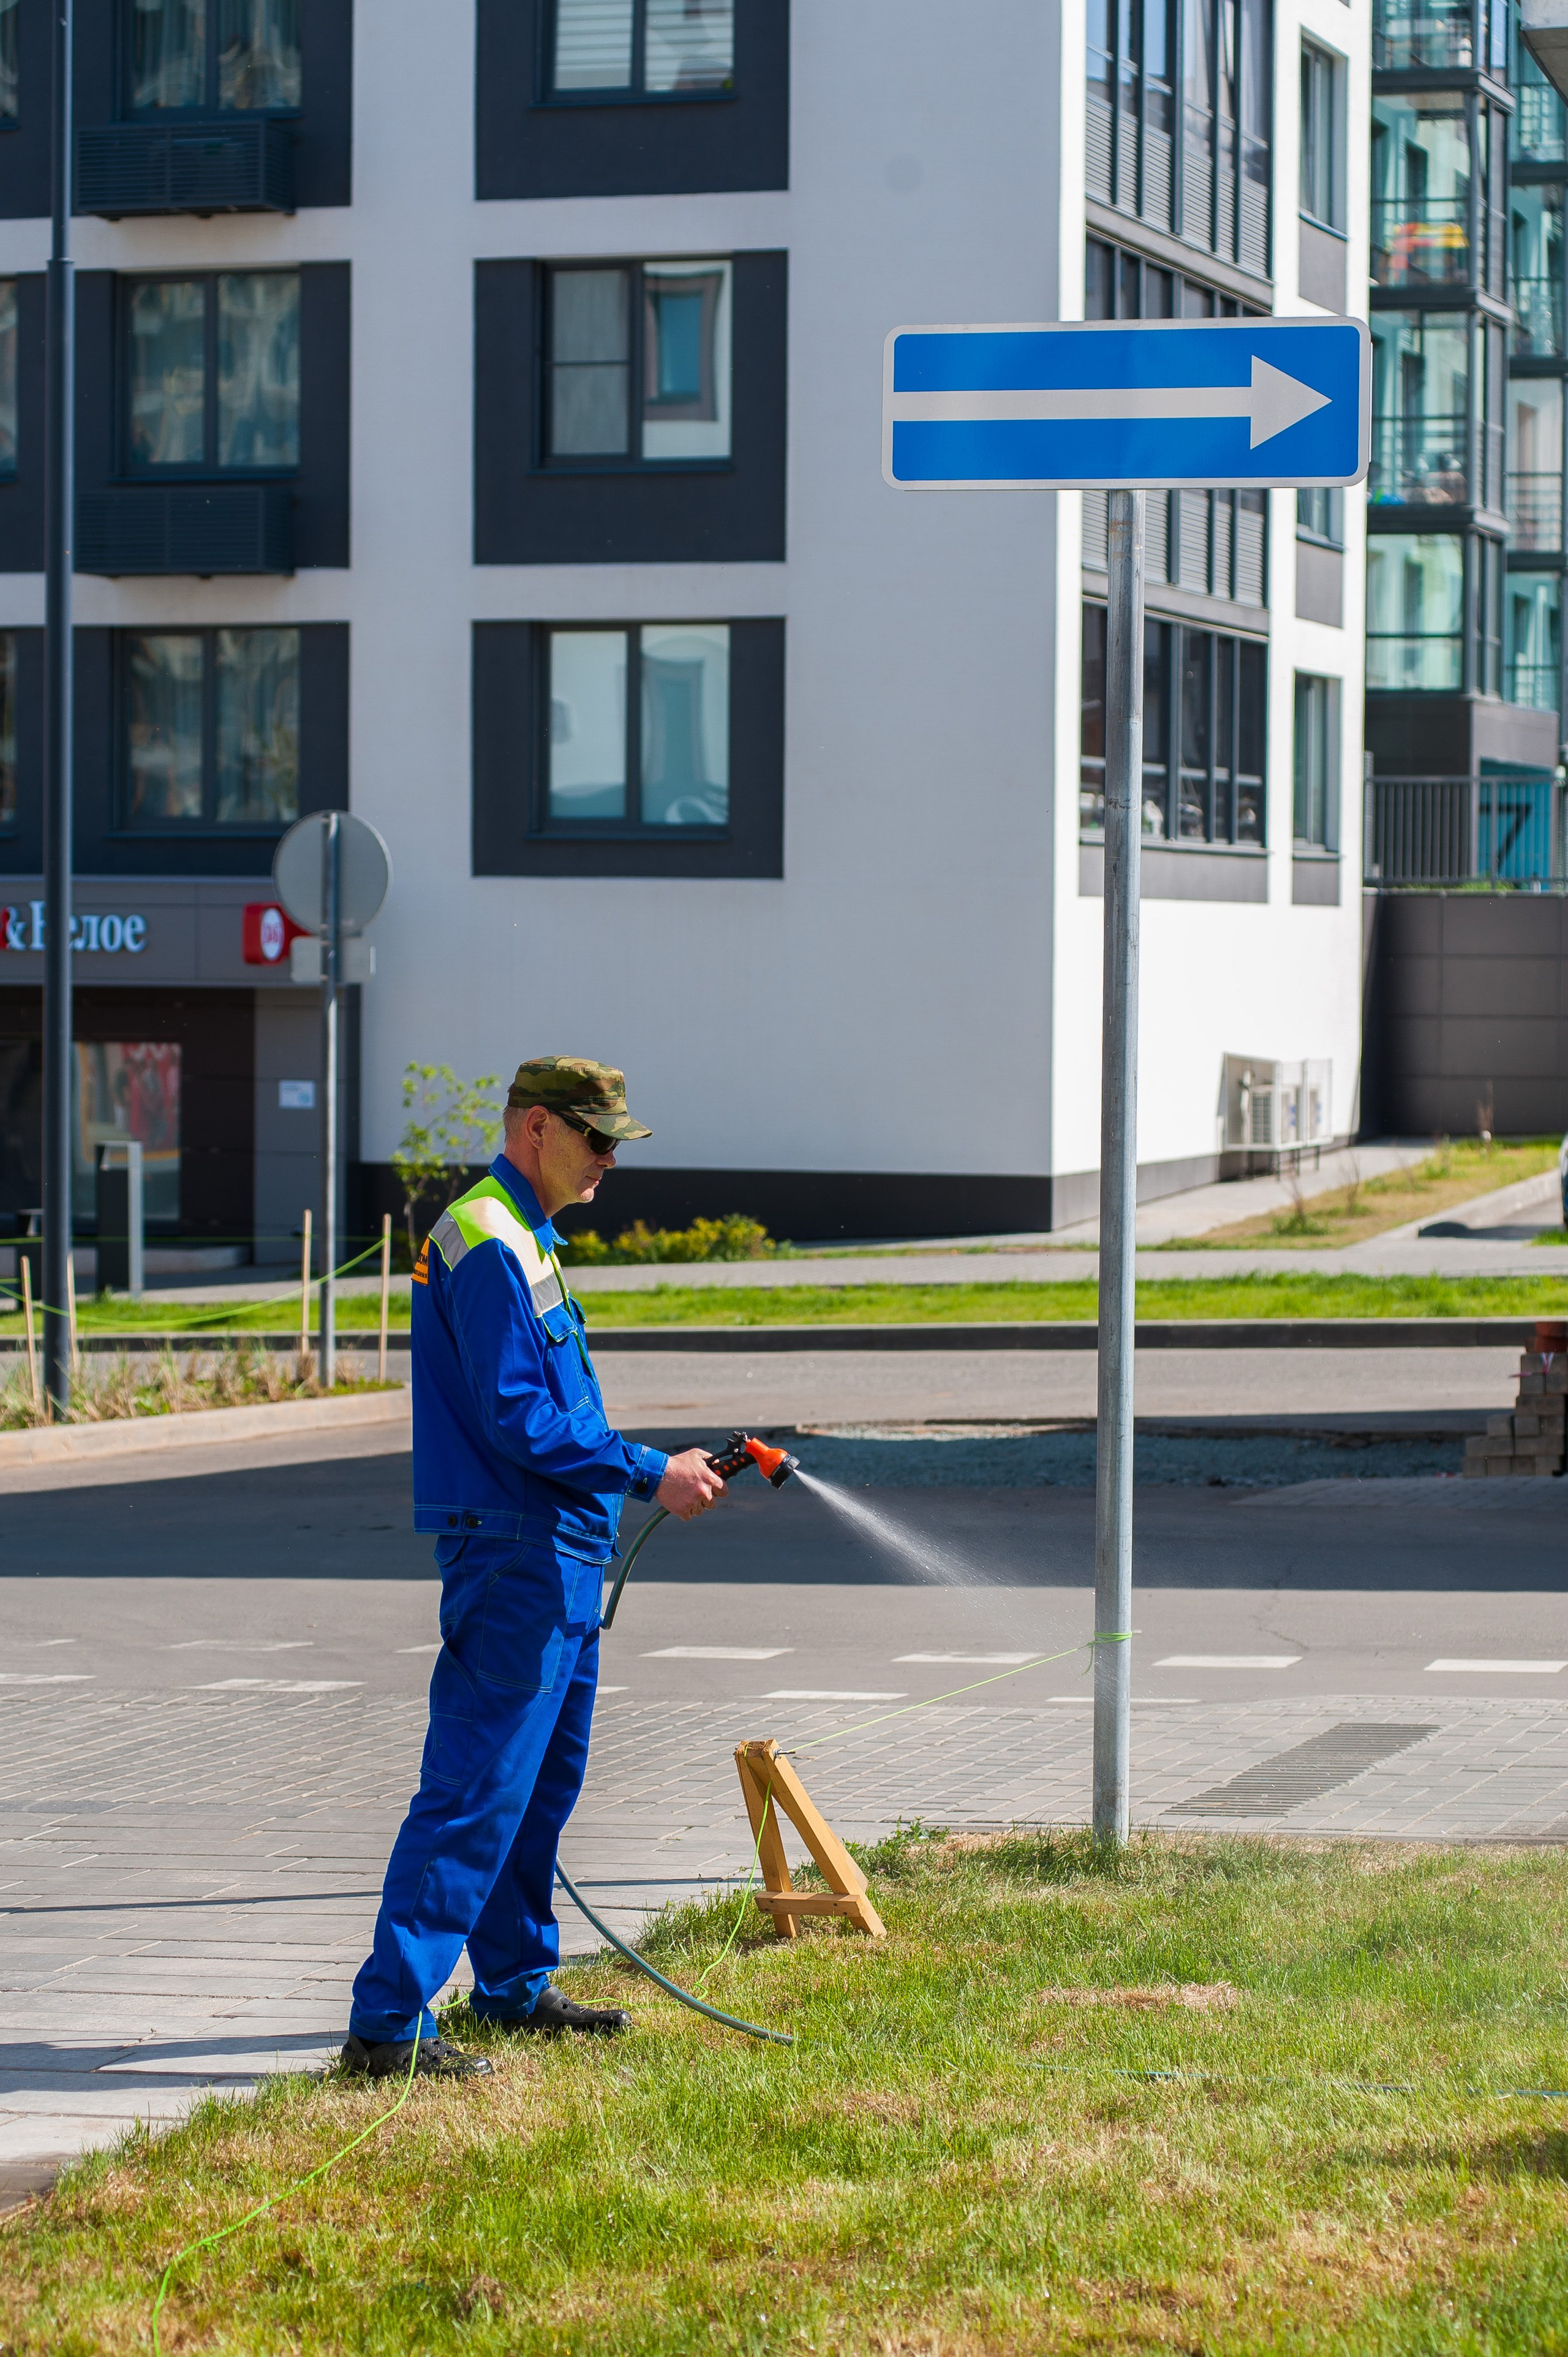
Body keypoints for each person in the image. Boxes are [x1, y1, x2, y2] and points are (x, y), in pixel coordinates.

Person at [342, 1056, 725, 2079]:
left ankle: (512, 1983)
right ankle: (388, 2022)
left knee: (537, 1789)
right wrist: (652, 1471)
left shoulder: (529, 1237)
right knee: (475, 1789)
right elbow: (519, 1418)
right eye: (598, 1141)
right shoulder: (486, 1239)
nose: (609, 1162)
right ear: (537, 1128)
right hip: (516, 1554)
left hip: (557, 1552)